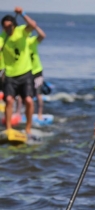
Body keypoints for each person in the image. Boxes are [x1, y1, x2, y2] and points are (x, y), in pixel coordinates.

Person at [0, 8, 37, 137]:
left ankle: (28, 129)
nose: (8, 29)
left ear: (14, 25)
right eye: (5, 28)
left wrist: (22, 14)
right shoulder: (2, 38)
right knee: (9, 100)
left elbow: (33, 25)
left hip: (25, 73)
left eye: (10, 27)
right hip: (10, 74)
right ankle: (8, 129)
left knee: (28, 100)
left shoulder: (21, 31)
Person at [27, 18, 46, 120]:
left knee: (38, 94)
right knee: (24, 95)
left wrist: (35, 27)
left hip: (37, 71)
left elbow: (42, 36)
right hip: (24, 72)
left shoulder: (32, 41)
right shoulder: (18, 42)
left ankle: (40, 114)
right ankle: (18, 113)